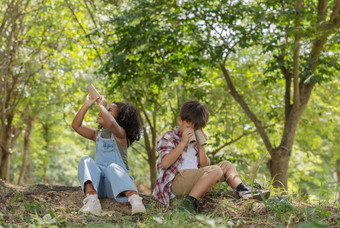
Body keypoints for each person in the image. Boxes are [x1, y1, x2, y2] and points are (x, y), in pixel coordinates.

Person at [152, 100, 270, 214]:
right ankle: (189, 202)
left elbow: (205, 166)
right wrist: (183, 142)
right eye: (189, 125)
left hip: (196, 178)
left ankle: (243, 189)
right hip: (176, 181)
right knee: (216, 171)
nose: (192, 130)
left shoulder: (196, 141)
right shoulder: (169, 137)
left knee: (226, 165)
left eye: (197, 128)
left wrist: (201, 146)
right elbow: (165, 163)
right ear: (180, 120)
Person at [72, 93, 146, 215]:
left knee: (112, 167)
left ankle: (135, 200)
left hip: (118, 187)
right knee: (86, 160)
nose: (103, 110)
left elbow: (111, 124)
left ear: (120, 120)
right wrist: (87, 104)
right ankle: (92, 199)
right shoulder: (97, 135)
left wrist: (101, 105)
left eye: (109, 110)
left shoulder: (120, 135)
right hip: (99, 187)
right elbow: (76, 126)